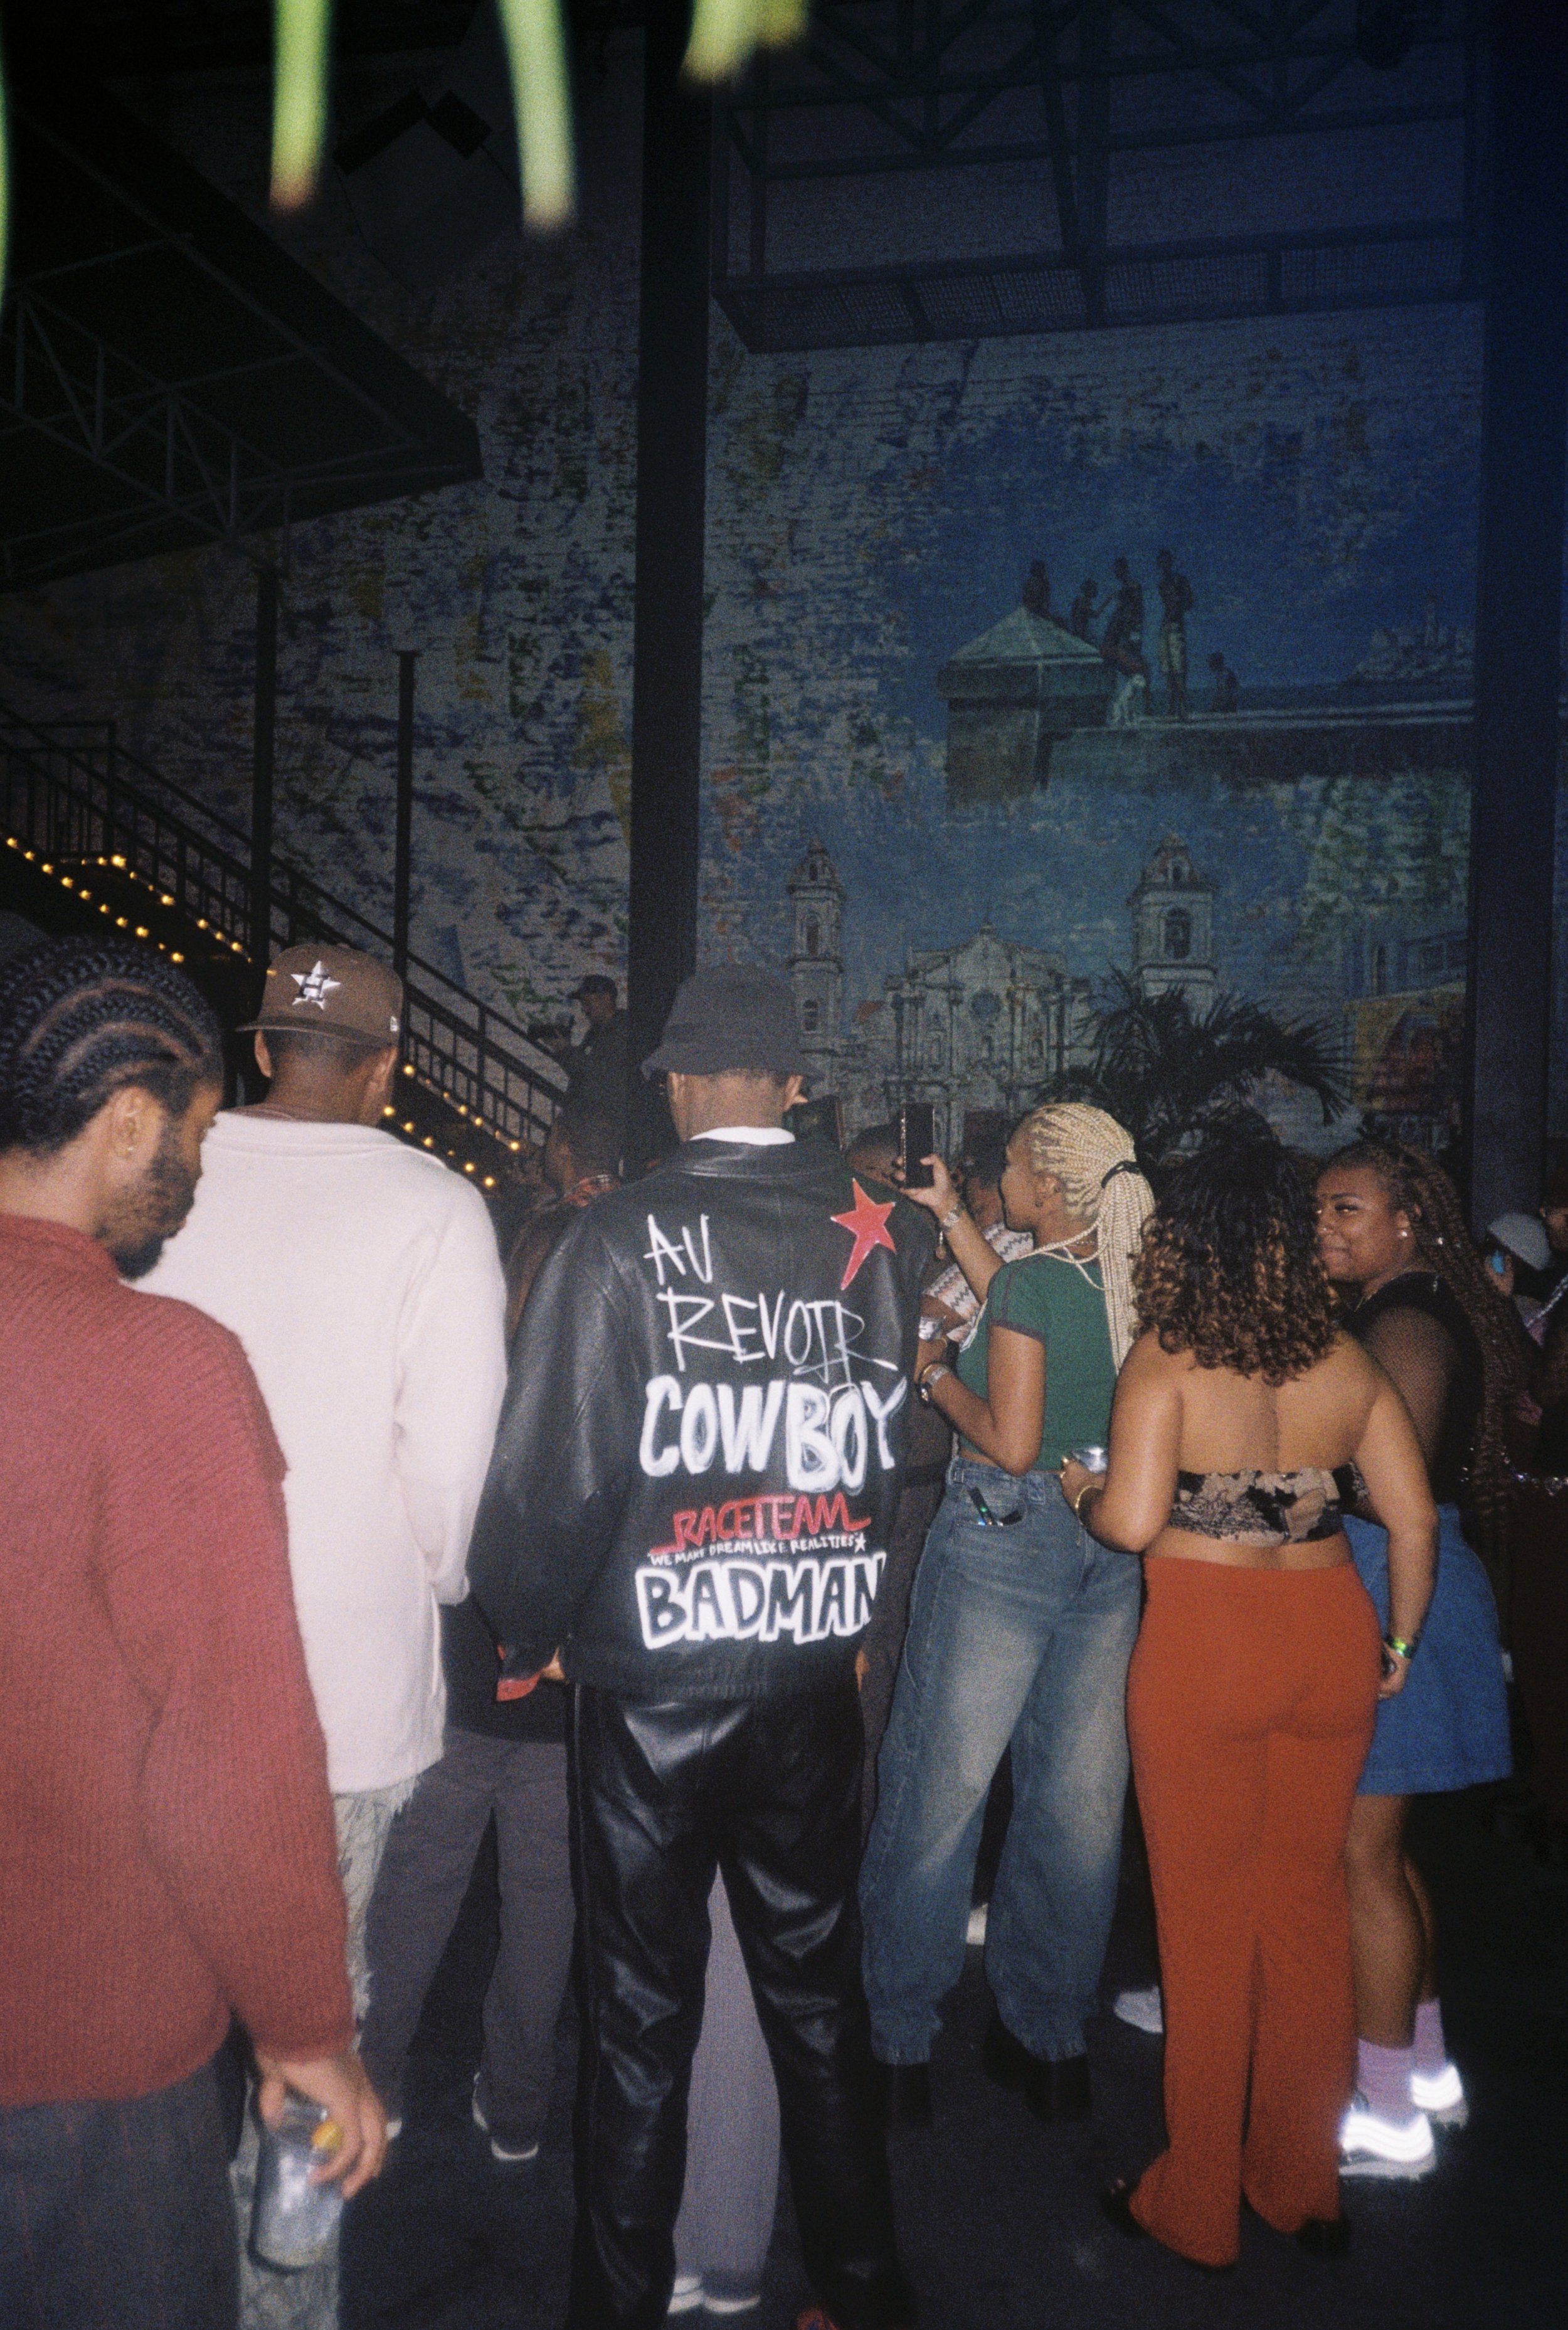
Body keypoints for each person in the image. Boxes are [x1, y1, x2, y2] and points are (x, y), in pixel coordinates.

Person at [466, 963, 930, 2330]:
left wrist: (529, 1631)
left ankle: (615, 2308)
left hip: (652, 1688)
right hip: (803, 1677)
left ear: (670, 1083)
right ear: (795, 1087)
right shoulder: (882, 1235)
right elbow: (882, 1447)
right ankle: (860, 2292)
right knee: (816, 2002)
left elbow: (550, 1480)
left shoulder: (616, 1238)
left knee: (638, 2021)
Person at [0, 937, 385, 2330]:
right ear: (126, 1122)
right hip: (86, 2062)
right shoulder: (161, 1371)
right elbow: (229, 1755)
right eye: (201, 1130)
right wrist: (307, 2035)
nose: (201, 1166)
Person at [142, 942, 507, 2324]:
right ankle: (282, 2293)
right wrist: (437, 1576)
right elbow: (452, 1469)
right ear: (389, 1064)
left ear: (255, 1054)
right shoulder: (433, 1204)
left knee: (155, 2021)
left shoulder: (162, 1171)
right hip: (337, 1703)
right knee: (313, 2028)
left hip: (154, 1681)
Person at [1064, 1128, 1434, 2270]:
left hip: (1205, 1648)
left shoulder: (1167, 1360)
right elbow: (1412, 1518)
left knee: (1208, 1929)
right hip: (1328, 1639)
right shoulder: (1344, 1359)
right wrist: (1401, 1641)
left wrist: (1082, 1486)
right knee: (1308, 1911)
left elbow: (1131, 1523)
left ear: (1186, 1243)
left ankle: (1196, 2198)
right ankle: (1300, 2178)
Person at [860, 1105, 1153, 2129]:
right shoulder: (1121, 1276)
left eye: (1018, 1162)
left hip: (1001, 1519)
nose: (1007, 1172)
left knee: (940, 1788)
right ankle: (1052, 2037)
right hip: (1108, 1541)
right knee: (1075, 1802)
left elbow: (1013, 1438)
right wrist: (952, 1216)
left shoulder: (1035, 1279)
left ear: (1052, 1186)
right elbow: (1029, 1311)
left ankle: (898, 2039)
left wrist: (931, 1369)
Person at [359, 1115, 618, 2165]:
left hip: (461, 1685)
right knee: (545, 1903)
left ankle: (369, 2087)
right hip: (565, 1694)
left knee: (416, 1889)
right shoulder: (621, 1404)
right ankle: (515, 2106)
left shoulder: (472, 1393)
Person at [1315, 1141, 1519, 2176]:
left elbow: (1374, 1484)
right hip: (1410, 1584)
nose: (1326, 1228)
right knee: (1385, 1853)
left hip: (1395, 1589)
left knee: (1361, 1859)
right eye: (1321, 1211)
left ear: (1408, 1220)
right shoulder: (1411, 1304)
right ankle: (1428, 2070)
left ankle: (1389, 2111)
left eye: (1347, 1209)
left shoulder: (1399, 1319)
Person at [564, 973, 628, 1151]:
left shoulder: (621, 1030)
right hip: (591, 1120)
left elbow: (596, 1072)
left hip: (606, 1122)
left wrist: (565, 1050)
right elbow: (580, 1073)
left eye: (587, 1001)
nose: (585, 1009)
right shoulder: (596, 1032)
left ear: (606, 998)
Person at [1155, 549, 1195, 721]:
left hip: (1175, 626)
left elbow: (1189, 601)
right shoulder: (1163, 584)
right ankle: (1172, 706)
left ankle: (1183, 707)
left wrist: (1178, 607)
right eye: (1161, 563)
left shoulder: (1179, 580)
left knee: (1178, 668)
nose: (1163, 566)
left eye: (1166, 562)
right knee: (1168, 669)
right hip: (1166, 626)